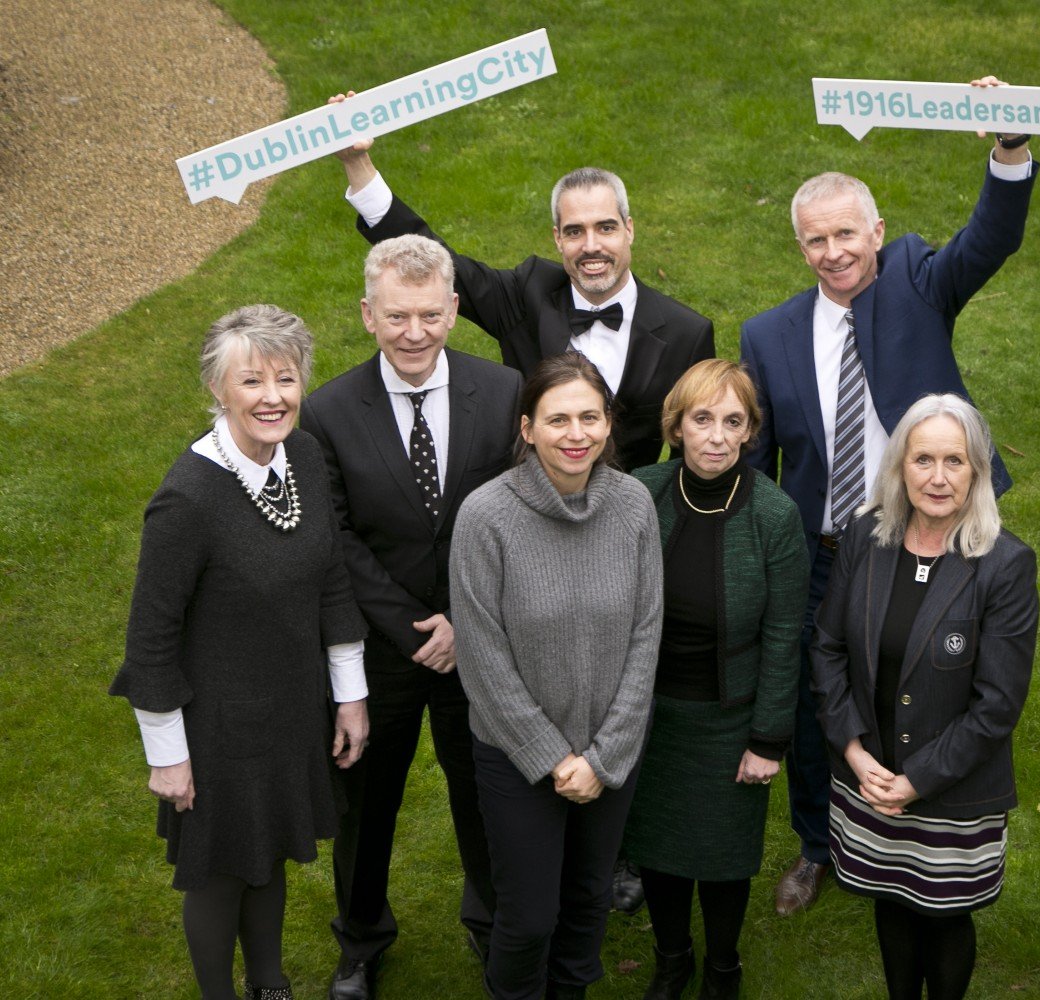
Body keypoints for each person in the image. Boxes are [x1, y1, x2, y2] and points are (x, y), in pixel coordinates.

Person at [739, 76, 1038, 916]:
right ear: (798, 247)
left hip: (930, 536)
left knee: (932, 686)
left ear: (874, 230)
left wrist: (1008, 148)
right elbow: (763, 457)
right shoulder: (767, 334)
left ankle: (926, 819)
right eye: (814, 240)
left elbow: (990, 239)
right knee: (815, 701)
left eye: (845, 233)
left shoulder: (915, 278)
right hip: (827, 554)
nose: (833, 252)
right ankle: (817, 843)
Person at [110, 305, 370, 1000]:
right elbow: (151, 636)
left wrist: (349, 693)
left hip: (289, 709)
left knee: (269, 855)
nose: (273, 397)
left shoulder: (304, 456)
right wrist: (167, 755)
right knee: (222, 869)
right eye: (251, 380)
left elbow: (331, 577)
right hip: (218, 727)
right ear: (218, 391)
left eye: (286, 378)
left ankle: (271, 984)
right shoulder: (188, 499)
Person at [301, 235, 522, 999]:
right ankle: (360, 942)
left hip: (480, 643)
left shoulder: (503, 393)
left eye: (430, 314)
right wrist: (413, 628)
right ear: (368, 314)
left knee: (487, 796)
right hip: (380, 653)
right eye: (398, 316)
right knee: (367, 806)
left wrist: (464, 618)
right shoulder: (325, 412)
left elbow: (519, 519)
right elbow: (335, 536)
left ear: (455, 310)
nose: (415, 332)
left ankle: (493, 924)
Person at [328, 99, 715, 476]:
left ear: (629, 229)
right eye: (575, 231)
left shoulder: (687, 334)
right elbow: (436, 254)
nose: (592, 245)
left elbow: (692, 454)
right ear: (557, 239)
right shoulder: (525, 294)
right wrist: (356, 163)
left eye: (606, 227)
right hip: (527, 506)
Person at [450, 352, 663, 1000]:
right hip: (516, 760)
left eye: (589, 417)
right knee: (529, 917)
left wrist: (602, 758)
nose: (576, 433)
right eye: (558, 418)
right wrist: (552, 759)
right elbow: (482, 657)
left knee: (588, 903)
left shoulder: (633, 507)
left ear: (608, 425)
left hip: (609, 754)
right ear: (527, 428)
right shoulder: (485, 517)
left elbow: (646, 634)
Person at [810, 394, 1039, 999]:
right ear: (899, 467)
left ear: (977, 472)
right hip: (870, 773)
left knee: (942, 917)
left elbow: (998, 704)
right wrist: (856, 753)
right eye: (923, 460)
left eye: (955, 462)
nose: (937, 478)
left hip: (951, 786)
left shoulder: (1004, 566)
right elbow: (828, 648)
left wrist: (916, 781)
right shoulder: (865, 536)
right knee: (890, 897)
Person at [624, 360, 807, 1000]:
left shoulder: (775, 516)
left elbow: (786, 633)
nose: (717, 437)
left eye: (734, 422)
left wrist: (768, 739)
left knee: (725, 861)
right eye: (702, 419)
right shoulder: (639, 495)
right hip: (650, 719)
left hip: (732, 724)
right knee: (659, 851)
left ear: (751, 432)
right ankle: (672, 959)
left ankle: (723, 966)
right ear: (676, 425)